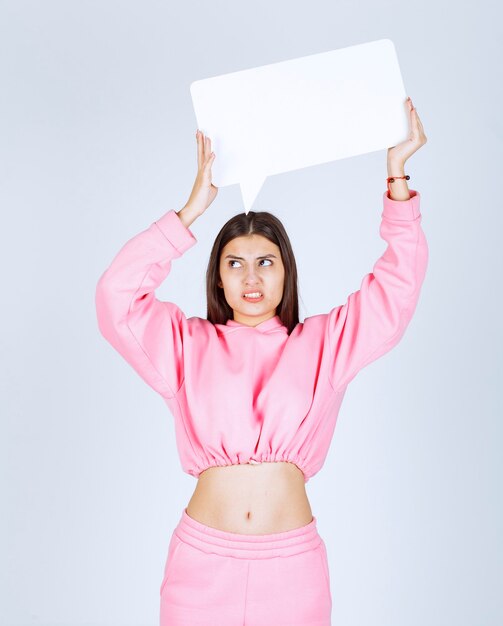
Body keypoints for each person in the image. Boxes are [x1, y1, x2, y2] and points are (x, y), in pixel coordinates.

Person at [95, 96, 428, 626]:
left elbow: (397, 289)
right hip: (200, 570)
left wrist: (397, 178)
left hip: (290, 575)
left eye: (265, 263)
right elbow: (116, 296)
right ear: (218, 276)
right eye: (236, 264)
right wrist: (189, 213)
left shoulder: (324, 343)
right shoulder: (185, 344)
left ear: (285, 272)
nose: (251, 279)